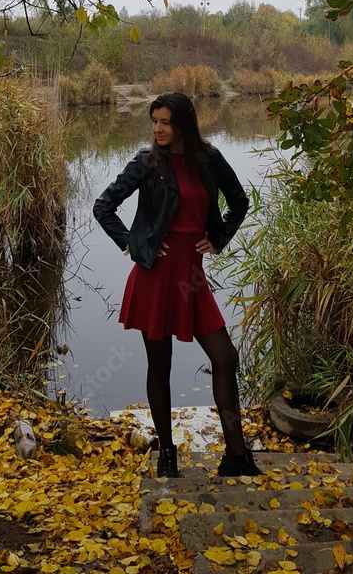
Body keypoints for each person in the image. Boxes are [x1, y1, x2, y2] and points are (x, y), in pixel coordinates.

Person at [92, 91, 262, 479]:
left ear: (184, 123)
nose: (158, 129)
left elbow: (239, 202)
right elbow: (104, 206)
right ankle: (167, 455)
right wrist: (135, 243)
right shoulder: (148, 162)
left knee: (225, 358)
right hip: (155, 275)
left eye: (165, 122)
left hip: (192, 278)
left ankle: (236, 455)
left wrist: (219, 238)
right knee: (160, 365)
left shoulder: (209, 159)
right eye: (154, 121)